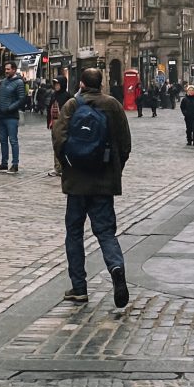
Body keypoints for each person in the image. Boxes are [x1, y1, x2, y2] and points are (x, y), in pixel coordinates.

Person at [51, 64, 132, 308]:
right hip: (104, 182)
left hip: (76, 182)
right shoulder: (113, 106)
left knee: (74, 234)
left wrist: (68, 166)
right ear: (102, 84)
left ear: (81, 84)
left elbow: (59, 139)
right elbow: (125, 144)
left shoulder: (72, 106)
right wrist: (115, 169)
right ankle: (116, 269)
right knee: (106, 233)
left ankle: (79, 287)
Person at [0, 61, 27, 172]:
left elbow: (21, 99)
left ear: (14, 70)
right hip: (1, 116)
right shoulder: (4, 82)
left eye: (8, 69)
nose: (6, 71)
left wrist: (10, 108)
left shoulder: (19, 83)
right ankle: (4, 163)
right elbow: (0, 97)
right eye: (5, 69)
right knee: (3, 141)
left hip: (11, 117)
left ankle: (15, 164)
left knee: (13, 140)